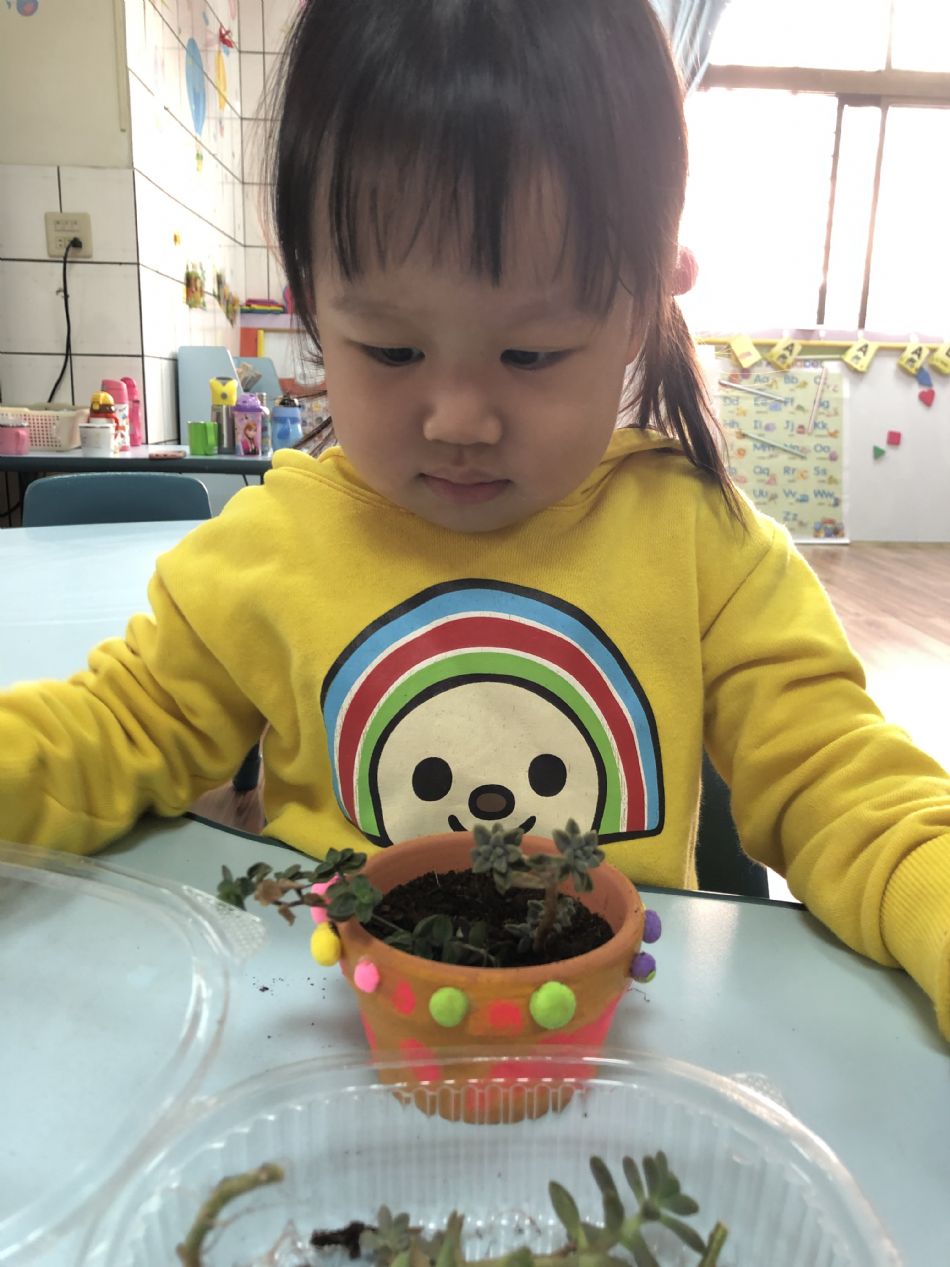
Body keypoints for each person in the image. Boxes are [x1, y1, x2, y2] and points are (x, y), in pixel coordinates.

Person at [2, 0, 947, 1040]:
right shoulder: (270, 550)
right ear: (309, 293)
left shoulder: (701, 549)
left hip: (612, 1069)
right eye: (391, 350)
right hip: (330, 1055)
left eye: (530, 354)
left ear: (646, 303)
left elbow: (841, 781)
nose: (458, 421)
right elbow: (113, 731)